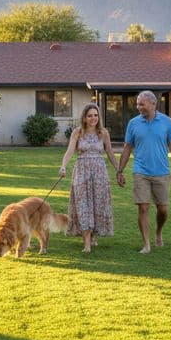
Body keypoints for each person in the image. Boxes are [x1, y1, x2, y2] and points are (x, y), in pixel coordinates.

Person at [116, 90, 171, 253]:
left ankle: (158, 232)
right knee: (143, 207)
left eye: (142, 104)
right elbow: (127, 148)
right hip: (140, 171)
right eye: (137, 104)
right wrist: (120, 171)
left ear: (153, 104)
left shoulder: (166, 122)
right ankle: (146, 244)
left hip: (162, 172)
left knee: (163, 209)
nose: (138, 107)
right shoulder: (133, 123)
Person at [58, 103, 118, 253]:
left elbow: (110, 153)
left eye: (96, 115)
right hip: (81, 171)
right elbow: (70, 151)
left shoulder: (103, 133)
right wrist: (63, 166)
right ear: (84, 117)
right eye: (90, 115)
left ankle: (92, 236)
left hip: (99, 173)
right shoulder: (77, 132)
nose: (93, 118)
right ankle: (87, 243)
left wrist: (119, 170)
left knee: (97, 205)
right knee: (83, 204)